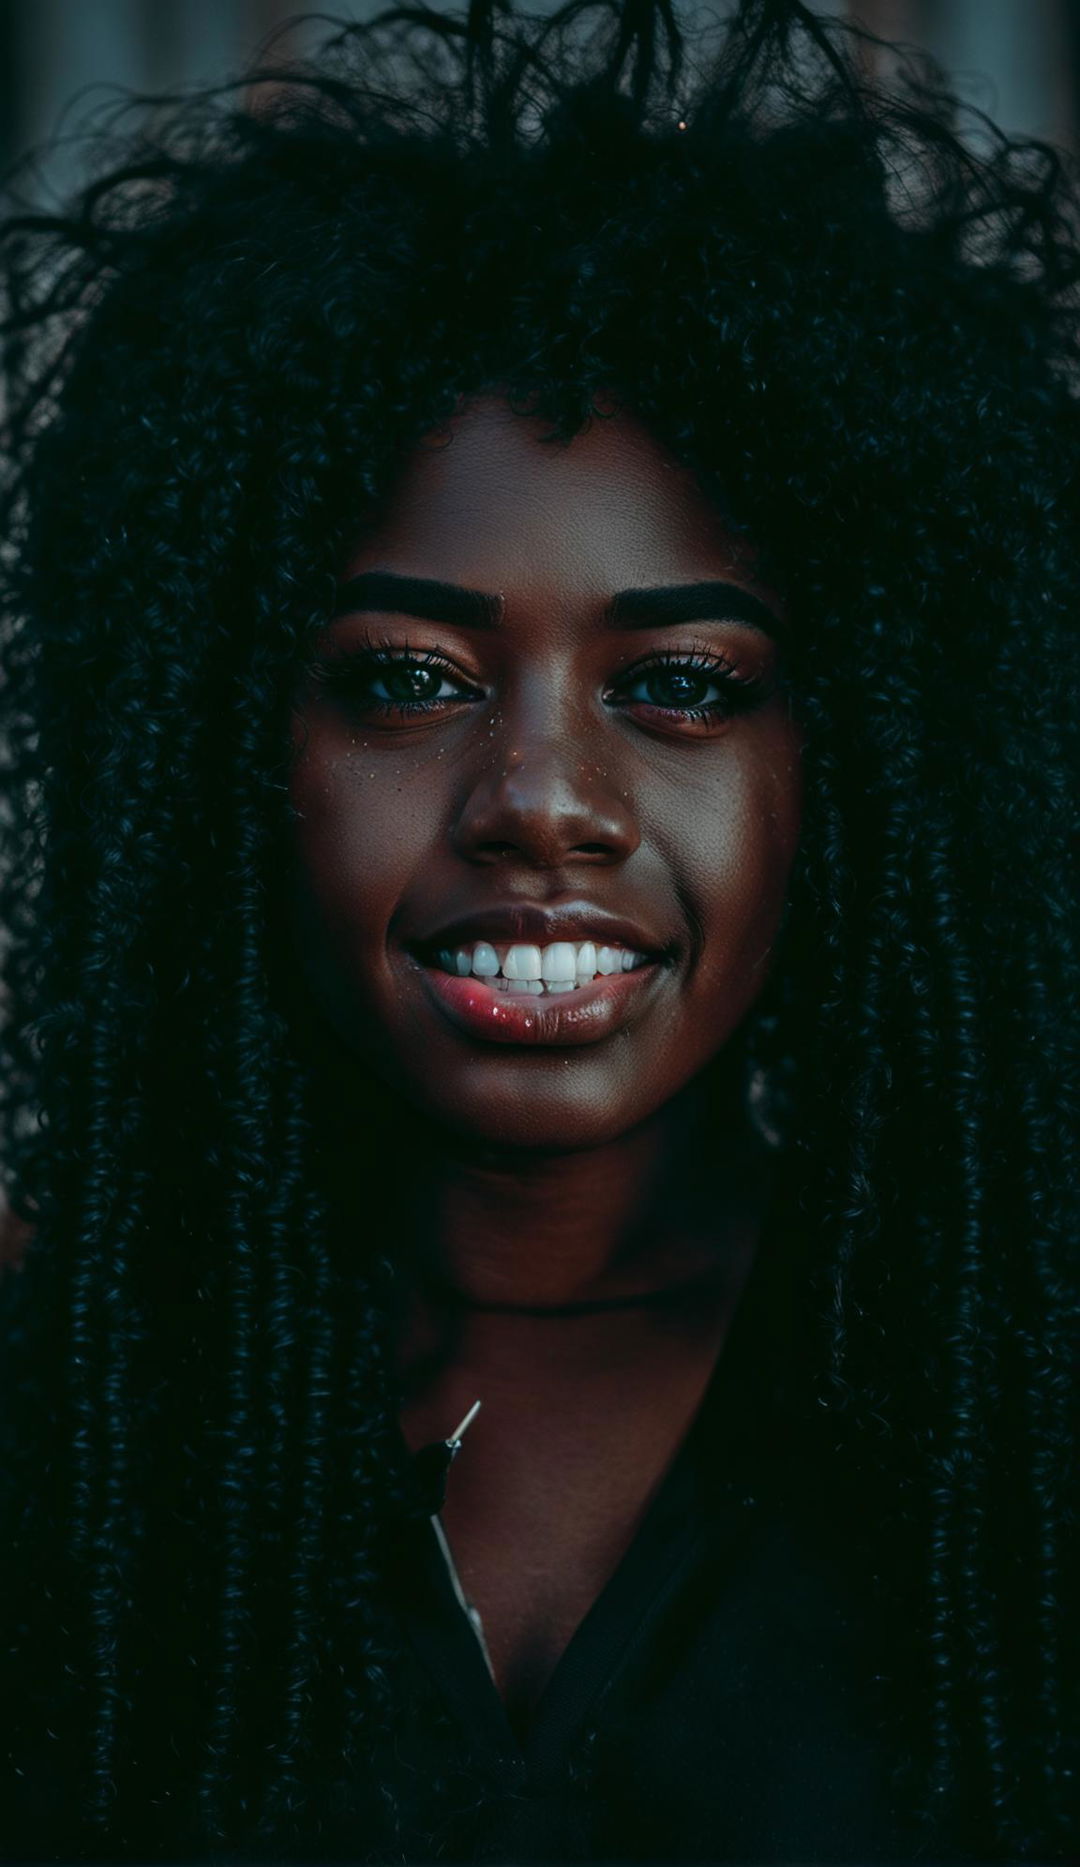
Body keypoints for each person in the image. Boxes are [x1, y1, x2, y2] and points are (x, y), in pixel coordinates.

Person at [0, 0, 1076, 1860]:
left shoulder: (1017, 1391)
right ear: (225, 754)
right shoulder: (67, 1402)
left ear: (861, 763)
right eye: (409, 677)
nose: (542, 797)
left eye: (679, 683)